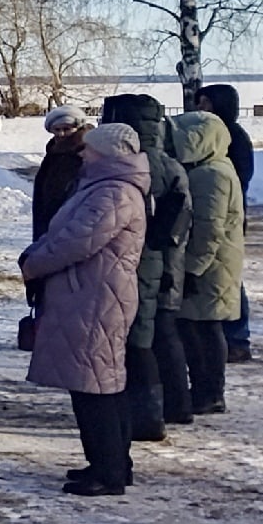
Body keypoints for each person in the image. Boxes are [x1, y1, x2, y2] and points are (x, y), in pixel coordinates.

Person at [20, 123, 148, 497]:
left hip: (97, 298)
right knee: (93, 382)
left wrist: (33, 263)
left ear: (107, 153)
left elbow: (77, 241)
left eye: (89, 149)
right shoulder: (100, 186)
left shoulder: (114, 192)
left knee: (98, 386)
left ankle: (110, 471)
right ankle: (108, 463)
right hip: (89, 294)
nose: (81, 152)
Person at [101, 95, 191, 438]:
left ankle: (146, 418)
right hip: (167, 261)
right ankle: (175, 406)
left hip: (137, 263)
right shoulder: (170, 164)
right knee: (159, 337)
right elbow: (180, 219)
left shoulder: (128, 165)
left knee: (137, 343)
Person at [173, 107, 244, 416]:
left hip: (209, 267)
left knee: (203, 329)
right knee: (197, 327)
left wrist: (192, 269)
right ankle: (204, 389)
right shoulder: (210, 169)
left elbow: (208, 228)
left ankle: (210, 392)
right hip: (211, 264)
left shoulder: (211, 174)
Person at [195, 83, 256, 361]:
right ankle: (226, 336)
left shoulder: (232, 138)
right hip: (224, 213)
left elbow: (237, 179)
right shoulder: (215, 135)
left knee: (227, 279)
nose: (200, 108)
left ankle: (236, 337)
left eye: (205, 103)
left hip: (227, 216)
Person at [32, 107, 90, 238]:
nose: (62, 134)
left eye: (67, 129)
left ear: (78, 127)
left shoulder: (84, 151)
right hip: (50, 214)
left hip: (72, 219)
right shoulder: (54, 151)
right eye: (57, 129)